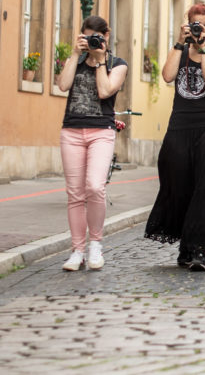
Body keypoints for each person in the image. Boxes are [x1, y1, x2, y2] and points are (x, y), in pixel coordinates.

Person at [144, 3, 205, 272]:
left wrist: (204, 51)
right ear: (187, 24)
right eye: (195, 24)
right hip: (180, 125)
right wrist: (180, 43)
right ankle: (186, 244)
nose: (200, 28)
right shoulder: (179, 50)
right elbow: (168, 75)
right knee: (179, 184)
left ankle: (199, 249)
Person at [56, 15, 128, 271]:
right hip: (72, 131)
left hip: (101, 131)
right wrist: (75, 55)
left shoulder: (118, 64)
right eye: (87, 37)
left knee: (95, 187)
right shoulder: (75, 60)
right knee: (75, 194)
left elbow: (105, 91)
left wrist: (99, 61)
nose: (92, 41)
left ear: (106, 36)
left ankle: (95, 244)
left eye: (96, 37)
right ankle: (77, 250)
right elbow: (63, 84)